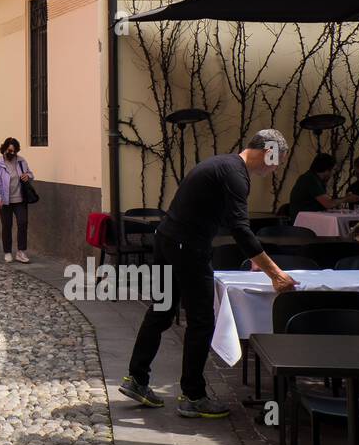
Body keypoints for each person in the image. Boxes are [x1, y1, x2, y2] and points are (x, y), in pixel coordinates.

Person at [122, 129, 298, 419]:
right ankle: (193, 395)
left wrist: (254, 258)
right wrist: (276, 274)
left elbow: (232, 224)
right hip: (187, 247)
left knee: (161, 311)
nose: (276, 168)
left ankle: (136, 378)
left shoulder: (224, 166)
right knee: (202, 321)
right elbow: (241, 228)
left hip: (167, 239)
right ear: (268, 152)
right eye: (277, 161)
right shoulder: (235, 176)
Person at [0, 137, 34, 263]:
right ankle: (7, 251)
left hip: (20, 199)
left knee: (23, 223)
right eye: (10, 151)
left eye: (14, 151)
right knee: (7, 226)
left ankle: (21, 252)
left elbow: (31, 174)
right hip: (4, 201)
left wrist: (27, 176)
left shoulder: (21, 161)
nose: (12, 153)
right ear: (4, 149)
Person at [288, 152, 351, 219]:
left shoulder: (312, 178)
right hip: (305, 222)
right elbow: (328, 203)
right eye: (333, 170)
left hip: (308, 219)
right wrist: (347, 199)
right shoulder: (311, 180)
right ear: (327, 170)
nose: (333, 173)